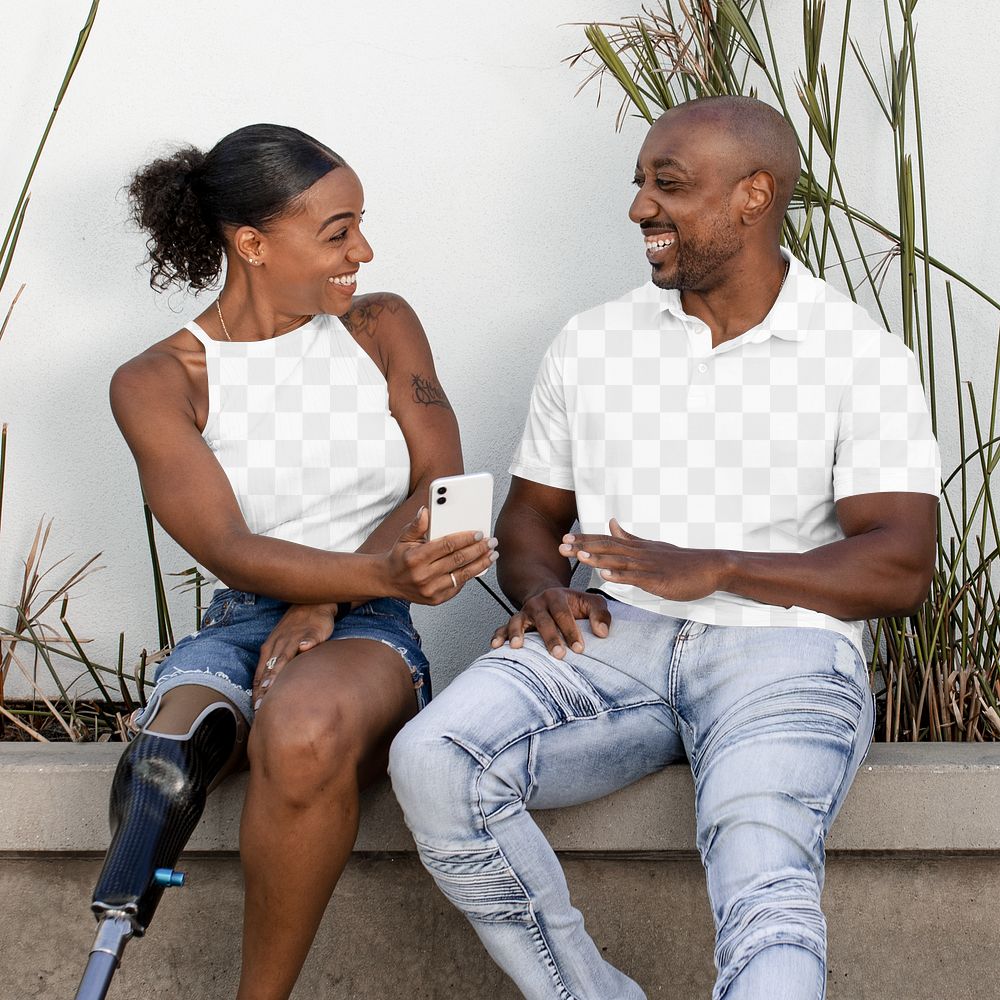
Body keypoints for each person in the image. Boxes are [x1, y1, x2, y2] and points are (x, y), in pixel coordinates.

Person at [389, 96, 940, 999]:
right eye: (641, 183)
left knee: (766, 879)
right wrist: (539, 590)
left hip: (786, 650)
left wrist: (721, 568)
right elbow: (531, 518)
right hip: (614, 637)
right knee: (433, 758)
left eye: (668, 185)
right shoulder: (594, 343)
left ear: (754, 196)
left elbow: (900, 562)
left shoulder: (857, 355)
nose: (640, 207)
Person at [86, 124, 497, 1000]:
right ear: (253, 244)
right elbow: (229, 547)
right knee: (168, 753)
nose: (364, 249)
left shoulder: (380, 326)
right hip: (242, 622)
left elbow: (438, 481)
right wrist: (360, 579)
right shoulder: (160, 380)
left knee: (302, 728)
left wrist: (334, 600)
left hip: (370, 628)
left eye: (361, 225)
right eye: (338, 230)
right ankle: (111, 945)